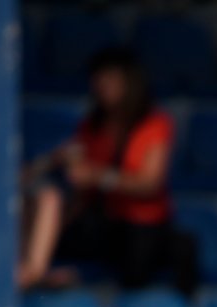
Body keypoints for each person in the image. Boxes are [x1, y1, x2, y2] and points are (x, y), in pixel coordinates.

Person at [18, 47, 194, 293]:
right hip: (104, 221)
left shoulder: (155, 123)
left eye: (111, 80)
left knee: (139, 262)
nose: (103, 87)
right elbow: (75, 179)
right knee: (46, 204)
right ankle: (37, 273)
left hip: (142, 225)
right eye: (99, 81)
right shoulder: (92, 126)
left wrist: (98, 177)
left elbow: (149, 183)